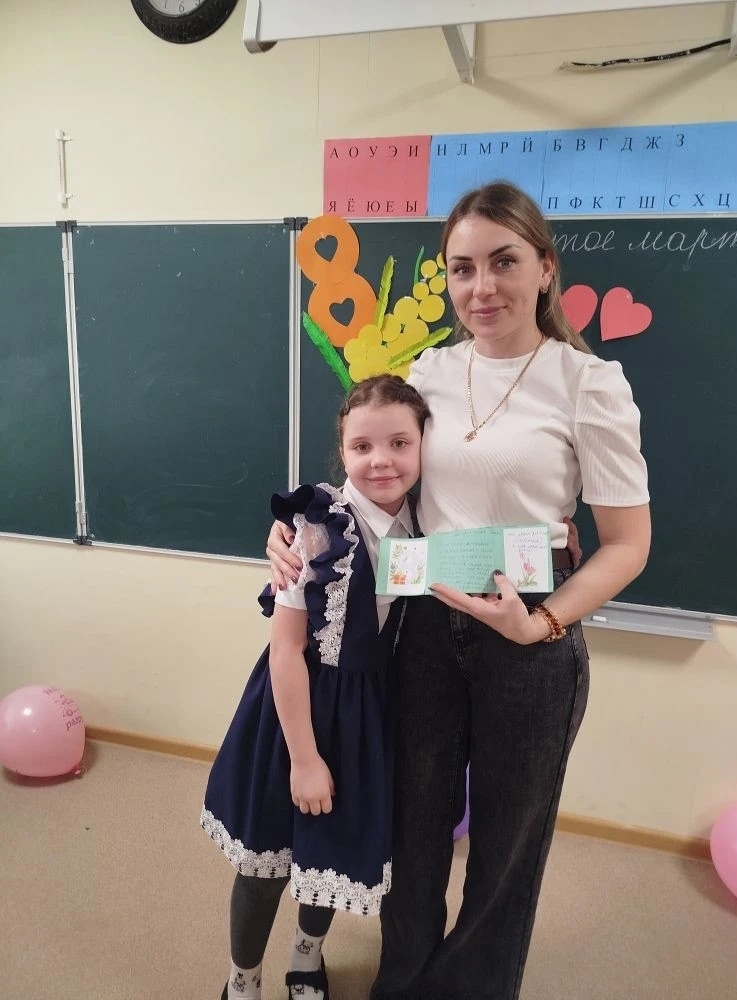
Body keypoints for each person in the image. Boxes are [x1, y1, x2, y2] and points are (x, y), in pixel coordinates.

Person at [266, 181, 651, 1000]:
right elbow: (378, 482)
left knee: (508, 847)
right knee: (414, 830)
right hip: (425, 629)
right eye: (463, 268)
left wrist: (542, 623)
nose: (482, 288)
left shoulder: (588, 383)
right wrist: (297, 530)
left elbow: (628, 544)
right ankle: (403, 981)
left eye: (504, 262)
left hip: (529, 639)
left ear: (544, 268)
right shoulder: (429, 371)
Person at [201, 375, 431, 1000]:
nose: (381, 460)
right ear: (342, 451)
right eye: (362, 446)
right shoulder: (319, 527)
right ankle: (242, 979)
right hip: (296, 713)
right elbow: (286, 649)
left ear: (422, 447)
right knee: (267, 861)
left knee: (330, 851)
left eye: (400, 443)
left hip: (366, 715)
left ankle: (306, 959)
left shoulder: (428, 517)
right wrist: (304, 759)